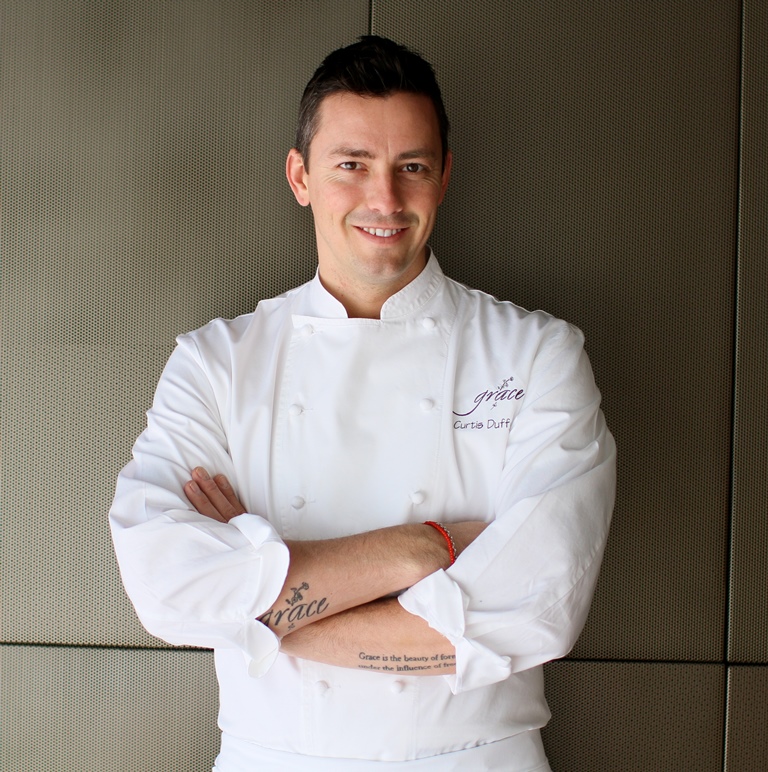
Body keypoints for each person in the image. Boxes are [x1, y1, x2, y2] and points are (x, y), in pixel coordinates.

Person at [110, 35, 615, 771]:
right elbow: (166, 588)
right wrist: (423, 547)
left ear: (443, 176)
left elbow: (537, 610)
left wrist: (257, 612)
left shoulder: (536, 354)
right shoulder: (217, 363)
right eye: (352, 165)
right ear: (300, 176)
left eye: (411, 167)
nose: (385, 200)